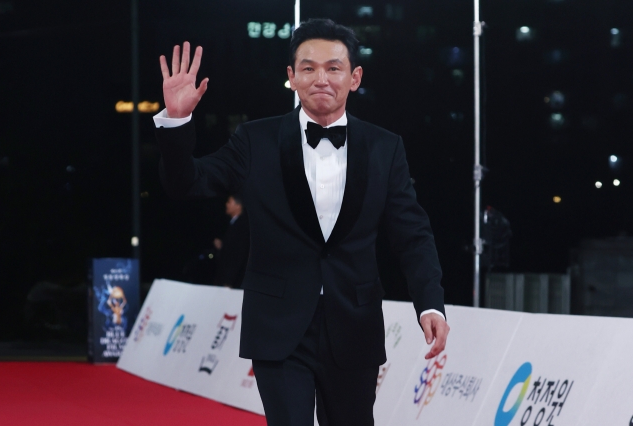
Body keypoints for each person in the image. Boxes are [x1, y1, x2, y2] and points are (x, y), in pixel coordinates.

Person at [154, 18, 449, 426]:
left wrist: (430, 302)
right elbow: (188, 183)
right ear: (291, 77)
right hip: (278, 326)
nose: (321, 78)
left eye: (333, 67)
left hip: (354, 324)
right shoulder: (255, 140)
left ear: (355, 77)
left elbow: (412, 234)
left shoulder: (385, 148)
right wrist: (176, 121)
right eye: (308, 68)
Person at [212, 195, 250, 288]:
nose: (226, 204)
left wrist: (229, 280)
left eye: (229, 202)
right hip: (225, 278)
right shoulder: (233, 223)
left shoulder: (242, 226)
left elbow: (238, 255)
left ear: (238, 206)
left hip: (231, 281)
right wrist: (222, 246)